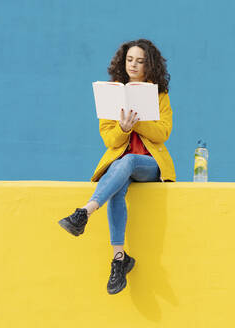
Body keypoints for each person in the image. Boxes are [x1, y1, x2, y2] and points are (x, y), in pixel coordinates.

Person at [58, 39, 176, 295]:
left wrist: (137, 122)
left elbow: (163, 132)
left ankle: (85, 211)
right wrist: (122, 129)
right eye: (130, 59)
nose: (133, 64)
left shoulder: (160, 95)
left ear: (149, 65)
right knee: (117, 187)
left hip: (149, 164)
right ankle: (119, 259)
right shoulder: (111, 94)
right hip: (119, 166)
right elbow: (109, 139)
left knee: (129, 160)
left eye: (140, 61)